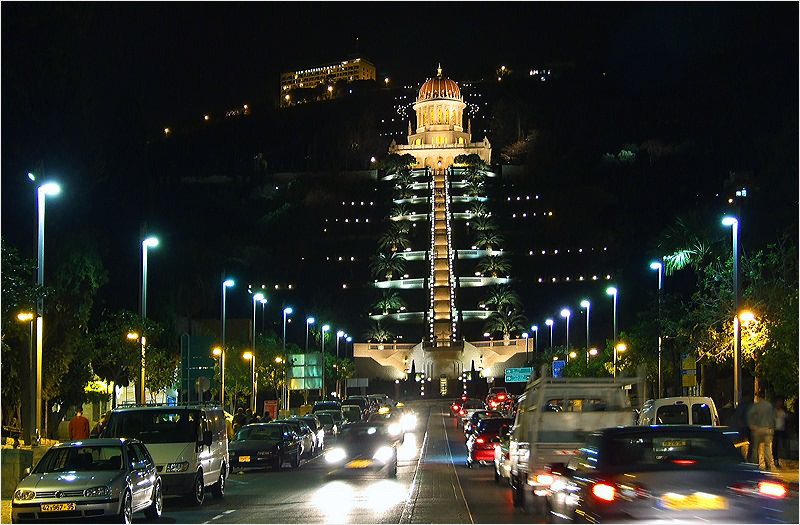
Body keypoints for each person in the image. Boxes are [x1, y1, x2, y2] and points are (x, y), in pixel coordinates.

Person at [747, 388, 775, 471]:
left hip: (757, 429)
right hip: (767, 429)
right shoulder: (769, 406)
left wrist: (751, 425)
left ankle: (755, 464)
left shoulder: (755, 406)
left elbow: (749, 415)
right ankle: (768, 464)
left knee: (755, 448)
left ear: (758, 397)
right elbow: (772, 417)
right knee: (767, 447)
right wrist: (772, 427)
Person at [773, 398, 787, 468]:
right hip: (775, 430)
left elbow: (785, 419)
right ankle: (776, 460)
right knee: (775, 445)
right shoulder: (774, 411)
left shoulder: (782, 411)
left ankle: (778, 459)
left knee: (779, 445)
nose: (780, 404)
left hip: (781, 430)